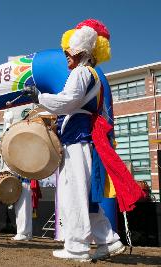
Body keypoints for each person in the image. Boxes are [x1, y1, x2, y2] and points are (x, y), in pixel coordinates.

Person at [34, 19, 142, 261]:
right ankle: (109, 242)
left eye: (68, 53)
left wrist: (40, 97)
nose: (66, 58)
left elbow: (68, 100)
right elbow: (74, 105)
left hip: (78, 142)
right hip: (82, 140)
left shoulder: (81, 72)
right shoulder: (89, 73)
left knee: (75, 195)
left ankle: (77, 247)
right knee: (84, 196)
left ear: (81, 52)